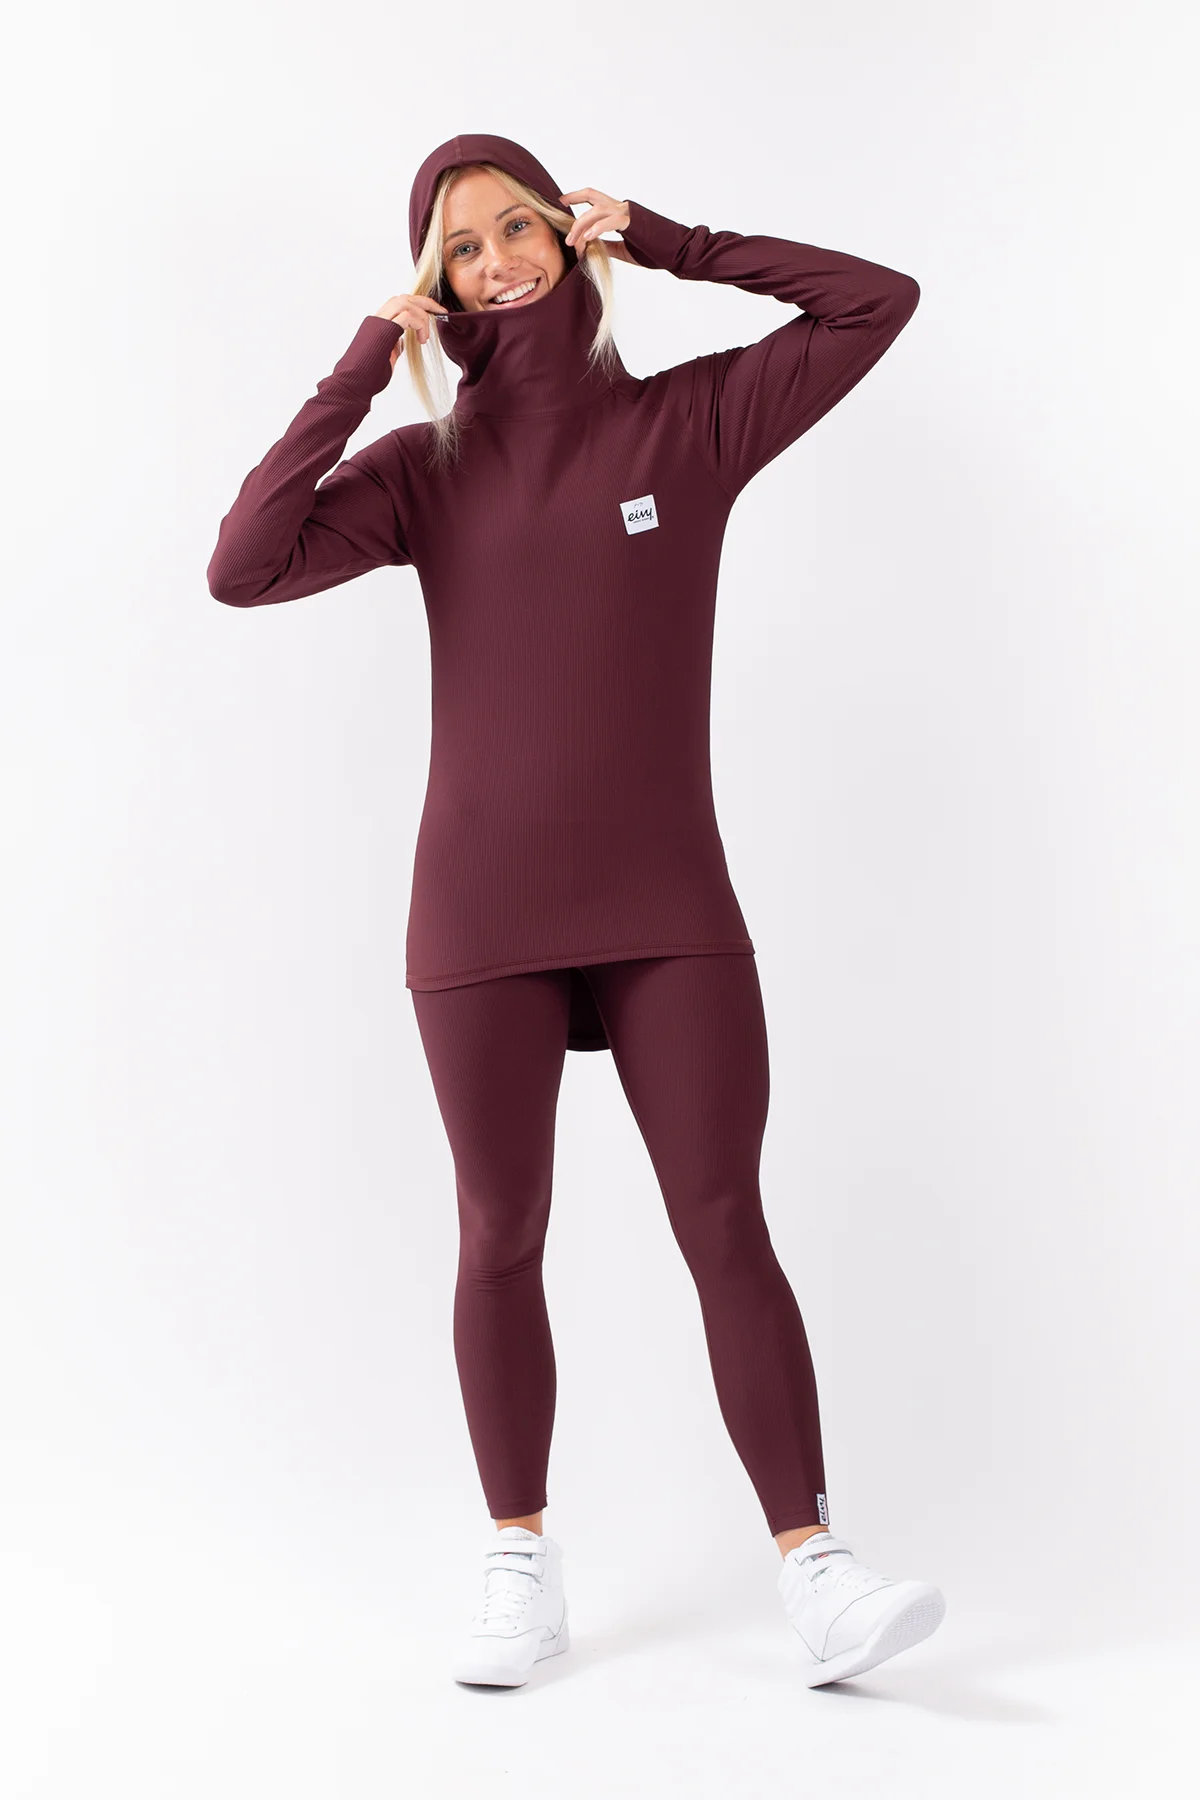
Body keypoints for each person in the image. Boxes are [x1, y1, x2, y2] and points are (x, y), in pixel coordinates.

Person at [207, 132, 945, 1690]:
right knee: (499, 1232)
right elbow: (243, 564)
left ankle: (816, 1568)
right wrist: (365, 360)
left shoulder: (688, 423)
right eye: (460, 248)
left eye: (517, 227)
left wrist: (676, 240)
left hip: (668, 897)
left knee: (724, 1217)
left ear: (566, 232)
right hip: (480, 910)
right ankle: (519, 1561)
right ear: (436, 283)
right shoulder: (422, 470)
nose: (498, 262)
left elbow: (875, 302)